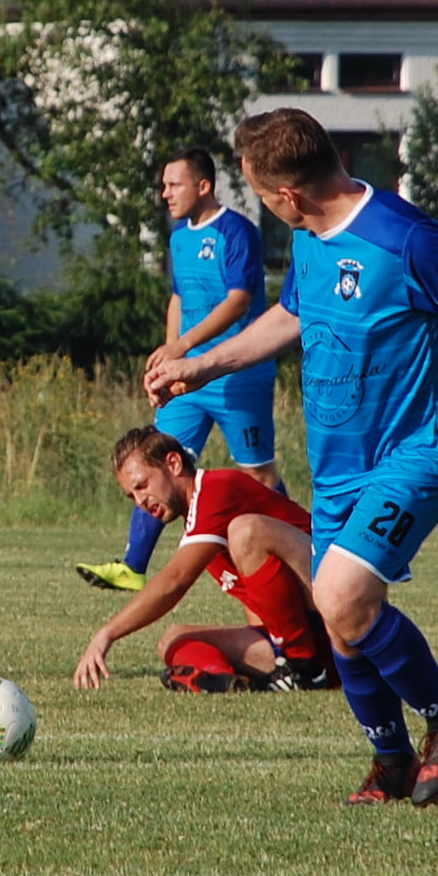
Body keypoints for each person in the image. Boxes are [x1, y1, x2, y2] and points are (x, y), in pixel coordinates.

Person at [144, 108, 438, 807]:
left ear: (289, 195)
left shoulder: (402, 237)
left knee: (341, 596)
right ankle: (389, 761)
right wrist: (200, 365)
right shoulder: (312, 239)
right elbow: (291, 315)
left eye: (260, 194)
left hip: (413, 453)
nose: (259, 207)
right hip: (337, 468)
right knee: (345, 627)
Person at [76, 148, 284, 592]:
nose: (164, 193)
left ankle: (297, 549)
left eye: (174, 184)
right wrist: (173, 357)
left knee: (258, 473)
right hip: (188, 380)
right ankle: (133, 566)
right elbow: (179, 298)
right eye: (163, 184)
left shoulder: (236, 231)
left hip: (237, 375)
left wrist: (185, 345)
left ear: (203, 186)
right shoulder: (178, 237)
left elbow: (239, 300)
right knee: (157, 458)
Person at [73, 426, 334, 694]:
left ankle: (306, 670)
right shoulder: (198, 526)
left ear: (173, 463)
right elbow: (264, 608)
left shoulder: (217, 488)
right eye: (132, 495)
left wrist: (107, 633)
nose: (141, 501)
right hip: (305, 640)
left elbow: (176, 580)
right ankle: (227, 682)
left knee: (245, 531)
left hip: (332, 610)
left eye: (142, 485)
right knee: (173, 639)